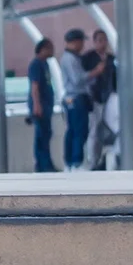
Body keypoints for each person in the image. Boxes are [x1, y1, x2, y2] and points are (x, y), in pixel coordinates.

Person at [55, 28, 91, 168]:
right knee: (79, 130)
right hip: (75, 98)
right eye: (81, 41)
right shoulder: (70, 59)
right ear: (76, 41)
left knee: (73, 130)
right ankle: (76, 161)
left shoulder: (73, 57)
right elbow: (77, 80)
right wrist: (94, 72)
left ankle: (70, 161)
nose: (83, 45)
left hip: (72, 99)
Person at [83, 34, 121, 170]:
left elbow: (115, 77)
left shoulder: (110, 59)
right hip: (95, 98)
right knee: (94, 130)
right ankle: (93, 159)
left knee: (112, 128)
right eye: (99, 40)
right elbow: (84, 78)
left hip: (109, 97)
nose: (103, 43)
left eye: (105, 40)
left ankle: (108, 158)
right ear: (94, 42)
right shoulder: (88, 58)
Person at [26, 36, 57, 172]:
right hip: (41, 106)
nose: (53, 51)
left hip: (46, 105)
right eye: (50, 48)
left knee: (46, 134)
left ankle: (46, 163)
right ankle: (42, 165)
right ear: (43, 49)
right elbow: (35, 86)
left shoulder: (45, 64)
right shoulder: (36, 65)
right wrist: (37, 105)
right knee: (41, 135)